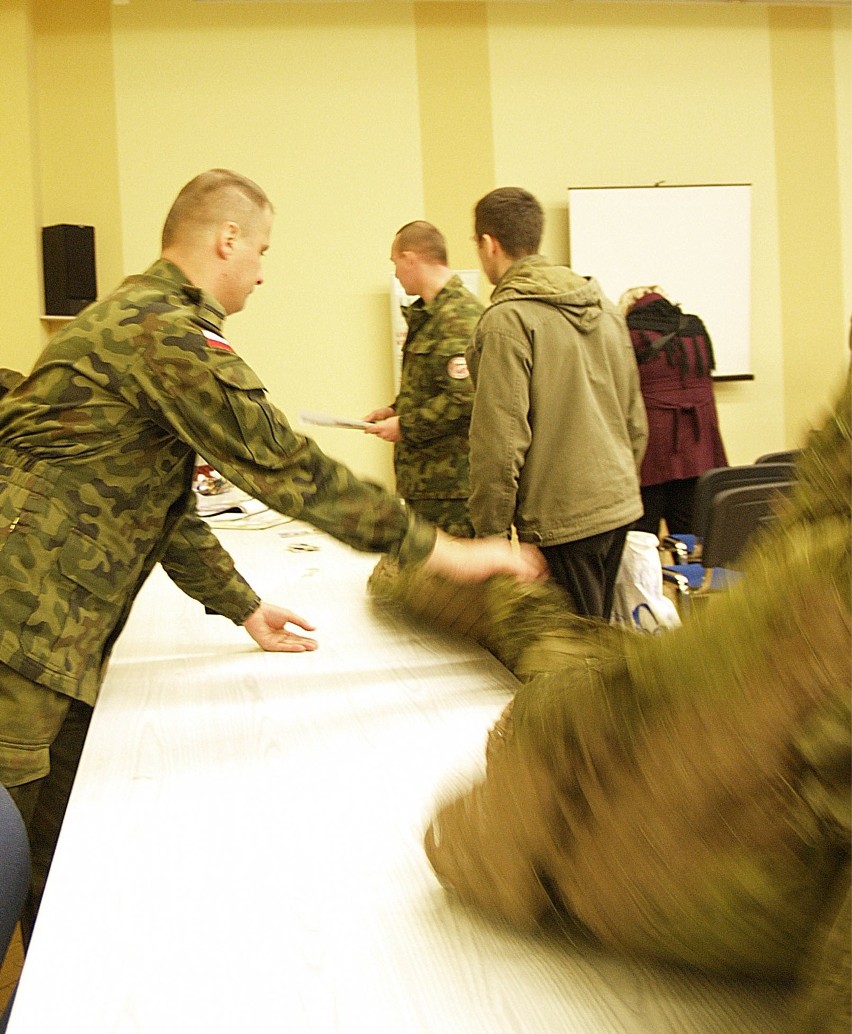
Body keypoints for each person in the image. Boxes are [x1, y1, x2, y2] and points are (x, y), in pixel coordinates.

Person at [0, 169, 545, 941]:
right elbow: (287, 466)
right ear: (226, 239)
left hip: (52, 637)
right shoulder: (161, 331)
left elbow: (160, 508)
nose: (262, 267)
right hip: (21, 638)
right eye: (259, 248)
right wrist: (441, 552)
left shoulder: (136, 318)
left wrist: (243, 607)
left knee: (53, 863)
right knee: (9, 851)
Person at [420, 367, 851, 1034]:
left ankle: (434, 572)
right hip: (665, 737)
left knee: (548, 645)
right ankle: (430, 573)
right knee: (547, 641)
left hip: (646, 798)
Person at [466, 187, 648, 619]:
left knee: (575, 653)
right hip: (617, 504)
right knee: (598, 631)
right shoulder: (605, 308)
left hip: (563, 520)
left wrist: (490, 535)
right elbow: (635, 420)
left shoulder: (507, 320)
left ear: (489, 243)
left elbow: (499, 440)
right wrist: (616, 486)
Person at [363, 221, 483, 537]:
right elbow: (431, 385)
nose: (397, 273)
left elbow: (464, 397)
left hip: (451, 489)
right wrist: (394, 409)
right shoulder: (428, 314)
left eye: (396, 262)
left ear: (411, 258)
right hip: (426, 485)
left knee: (454, 585)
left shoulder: (458, 315)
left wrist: (405, 426)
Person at [619, 285, 728, 537]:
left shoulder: (629, 333)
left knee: (642, 536)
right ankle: (688, 575)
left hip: (649, 451)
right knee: (689, 534)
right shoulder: (696, 330)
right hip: (697, 447)